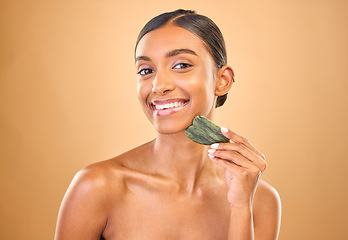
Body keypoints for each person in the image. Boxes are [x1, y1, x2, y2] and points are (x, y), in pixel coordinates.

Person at [55, 9, 281, 240]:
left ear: (222, 80)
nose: (158, 85)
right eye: (146, 70)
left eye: (181, 65)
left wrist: (240, 207)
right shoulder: (98, 186)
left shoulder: (260, 201)